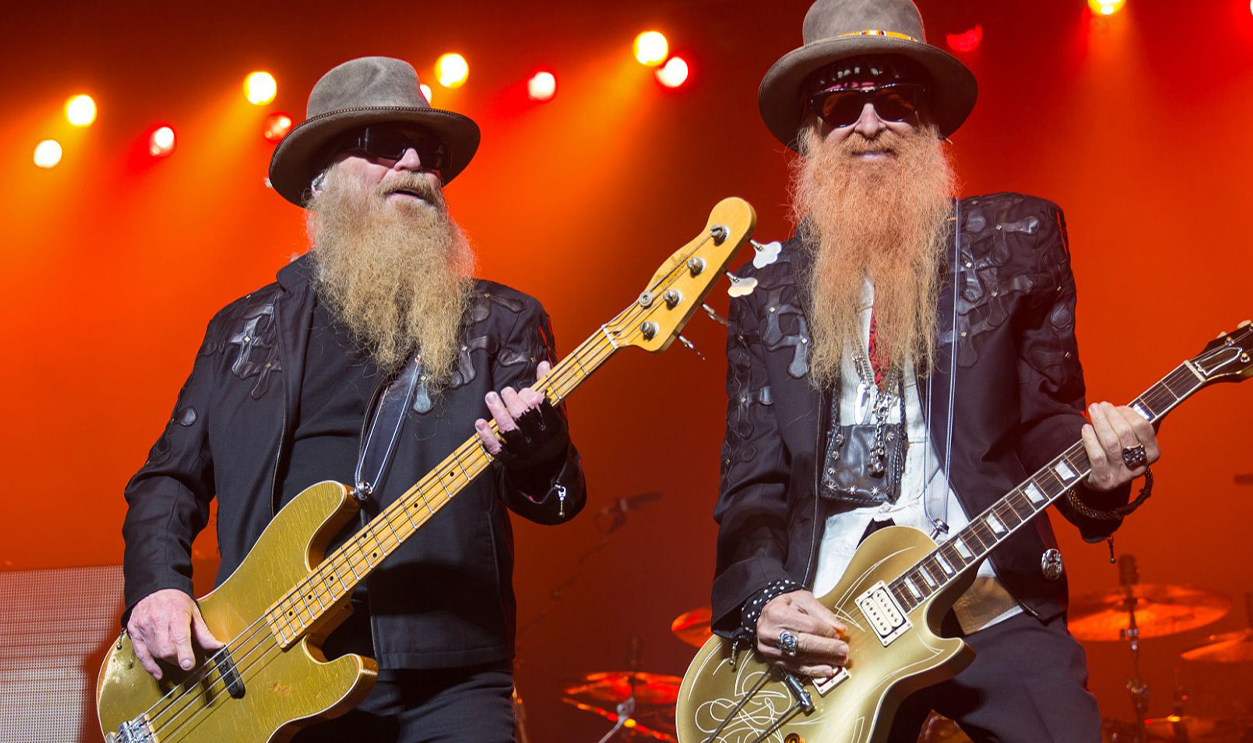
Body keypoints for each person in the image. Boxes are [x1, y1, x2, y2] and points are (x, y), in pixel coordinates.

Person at [711, 1, 1159, 740]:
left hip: (990, 592)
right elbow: (749, 483)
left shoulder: (1015, 241)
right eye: (838, 104)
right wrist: (765, 600)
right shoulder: (765, 290)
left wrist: (1103, 476)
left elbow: (1049, 419)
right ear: (810, 133)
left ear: (927, 122)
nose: (867, 121)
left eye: (893, 99)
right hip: (836, 622)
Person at [120, 56, 586, 742]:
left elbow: (557, 497)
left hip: (448, 677)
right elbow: (166, 479)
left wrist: (537, 446)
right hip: (271, 673)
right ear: (319, 181)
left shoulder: (497, 320)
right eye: (379, 144)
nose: (412, 161)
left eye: (427, 152)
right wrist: (159, 585)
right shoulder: (243, 330)